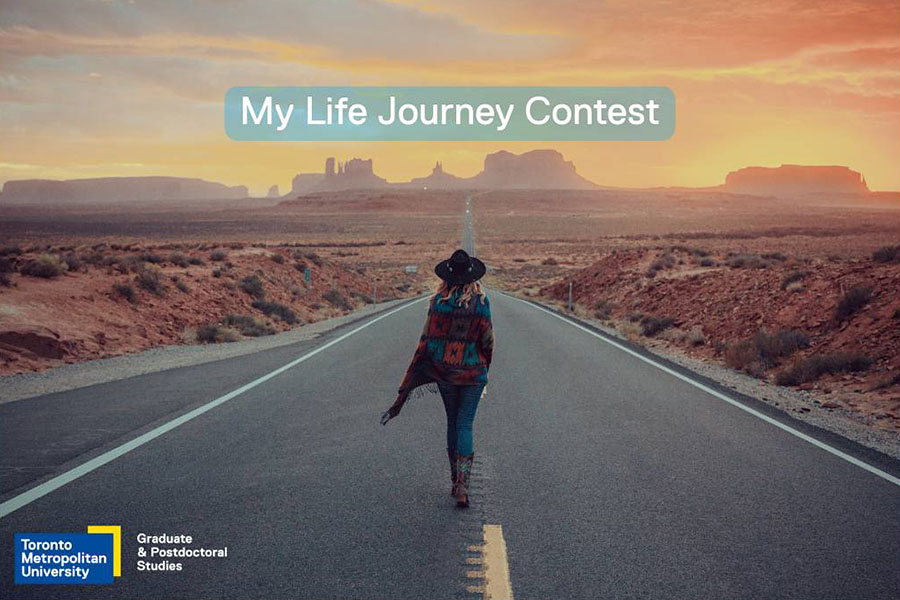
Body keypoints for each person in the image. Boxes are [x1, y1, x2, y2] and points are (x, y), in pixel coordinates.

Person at [381, 249, 494, 508]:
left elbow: (427, 340)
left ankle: (455, 481)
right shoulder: (481, 302)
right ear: (472, 277)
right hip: (473, 374)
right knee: (466, 424)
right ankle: (464, 486)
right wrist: (484, 366)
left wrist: (429, 366)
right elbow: (487, 340)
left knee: (452, 423)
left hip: (446, 373)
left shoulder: (438, 303)